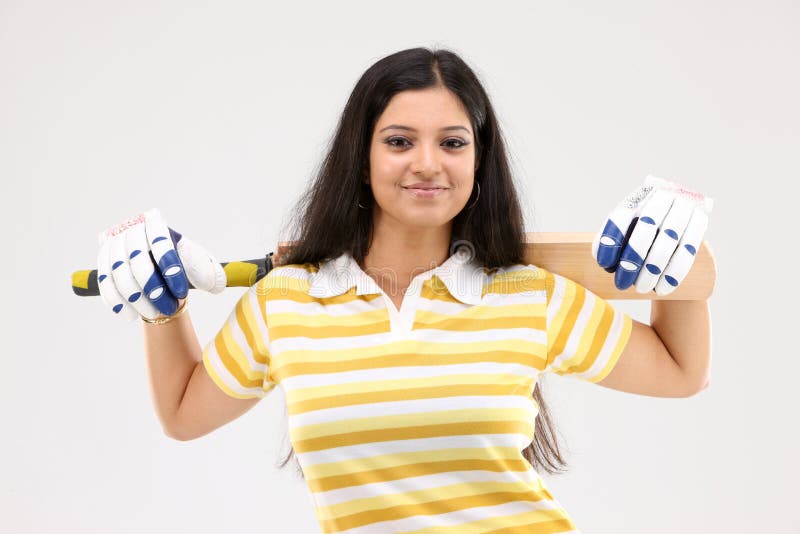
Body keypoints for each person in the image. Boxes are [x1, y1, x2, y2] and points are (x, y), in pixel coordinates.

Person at [97, 47, 711, 533]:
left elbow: (680, 372)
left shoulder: (530, 296)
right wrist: (161, 305)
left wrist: (675, 262)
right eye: (398, 141)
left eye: (452, 142)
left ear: (478, 160)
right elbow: (182, 414)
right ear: (360, 157)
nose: (426, 163)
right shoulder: (283, 303)